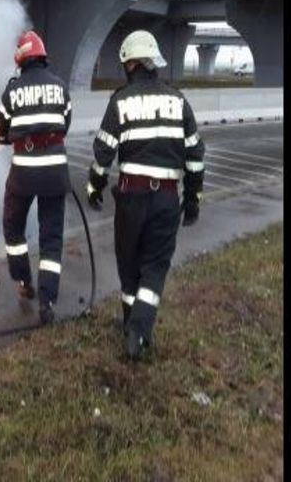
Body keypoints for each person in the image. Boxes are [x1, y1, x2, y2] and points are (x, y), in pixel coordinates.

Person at [85, 30, 205, 359]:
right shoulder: (178, 101)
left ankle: (131, 325)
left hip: (130, 197)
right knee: (154, 266)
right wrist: (193, 199)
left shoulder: (120, 99)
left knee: (129, 265)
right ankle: (139, 330)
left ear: (132, 64)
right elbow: (195, 155)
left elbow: (103, 152)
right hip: (166, 199)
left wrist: (94, 187)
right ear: (153, 63)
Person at [0, 30, 72, 325]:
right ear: (42, 57)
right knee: (51, 238)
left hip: (23, 174)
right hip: (55, 173)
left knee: (13, 227)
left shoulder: (12, 92)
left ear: (20, 60)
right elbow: (64, 124)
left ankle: (24, 282)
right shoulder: (61, 88)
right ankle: (48, 301)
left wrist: (10, 137)